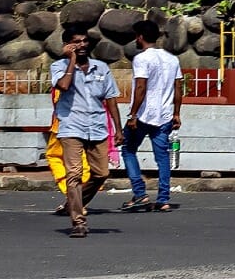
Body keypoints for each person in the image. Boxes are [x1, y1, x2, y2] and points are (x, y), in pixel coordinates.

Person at [48, 26, 122, 238]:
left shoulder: (101, 68)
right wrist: (71, 60)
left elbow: (111, 100)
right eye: (76, 42)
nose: (81, 45)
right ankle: (78, 222)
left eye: (84, 41)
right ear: (67, 45)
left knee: (101, 173)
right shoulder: (58, 66)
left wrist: (118, 129)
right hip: (71, 126)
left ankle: (73, 203)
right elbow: (63, 85)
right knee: (74, 174)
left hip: (97, 127)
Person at [121, 20, 180, 212]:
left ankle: (140, 193)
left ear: (140, 37)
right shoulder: (172, 59)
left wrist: (132, 114)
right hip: (164, 115)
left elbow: (141, 87)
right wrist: (177, 113)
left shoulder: (142, 59)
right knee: (162, 157)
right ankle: (163, 199)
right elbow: (178, 88)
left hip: (143, 115)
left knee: (128, 150)